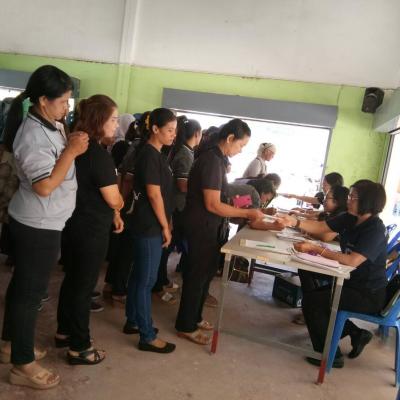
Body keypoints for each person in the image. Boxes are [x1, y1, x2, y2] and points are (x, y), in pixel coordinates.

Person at [0, 65, 89, 389]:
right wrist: (72, 151)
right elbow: (44, 186)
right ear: (42, 100)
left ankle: (10, 344)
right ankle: (22, 365)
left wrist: (69, 142)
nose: (67, 107)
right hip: (37, 225)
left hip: (44, 221)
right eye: (63, 101)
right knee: (30, 294)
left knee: (23, 287)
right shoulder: (31, 135)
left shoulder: (50, 123)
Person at [278, 180, 387, 368]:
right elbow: (321, 227)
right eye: (350, 196)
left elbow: (352, 260)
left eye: (353, 197)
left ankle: (331, 356)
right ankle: (356, 333)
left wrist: (317, 249)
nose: (349, 200)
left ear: (367, 202)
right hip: (349, 280)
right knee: (310, 281)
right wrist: (294, 221)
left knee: (314, 302)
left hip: (368, 293)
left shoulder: (375, 229)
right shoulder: (350, 218)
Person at [175, 119, 264, 345]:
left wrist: (242, 208)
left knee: (205, 276)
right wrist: (247, 213)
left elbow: (221, 198)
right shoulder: (211, 161)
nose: (241, 150)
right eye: (241, 145)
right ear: (230, 138)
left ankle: (195, 317)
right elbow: (213, 204)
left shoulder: (218, 160)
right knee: (196, 277)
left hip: (212, 227)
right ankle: (185, 325)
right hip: (201, 227)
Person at [55, 95, 124, 365]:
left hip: (71, 224)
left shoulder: (75, 146)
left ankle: (64, 331)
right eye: (113, 119)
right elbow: (113, 198)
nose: (117, 125)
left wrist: (114, 213)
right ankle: (80, 346)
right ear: (99, 121)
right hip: (91, 229)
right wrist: (119, 206)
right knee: (83, 287)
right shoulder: (98, 155)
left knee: (73, 280)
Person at [123, 108, 177, 354]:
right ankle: (147, 335)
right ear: (155, 128)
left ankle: (133, 320)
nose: (173, 134)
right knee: (147, 281)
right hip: (148, 225)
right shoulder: (149, 155)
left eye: (175, 130)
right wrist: (165, 226)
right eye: (169, 130)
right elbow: (154, 194)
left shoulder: (156, 153)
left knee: (139, 276)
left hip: (148, 223)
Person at [152, 116, 202, 304]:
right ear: (197, 134)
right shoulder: (185, 153)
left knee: (167, 247)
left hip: (174, 205)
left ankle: (162, 279)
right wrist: (202, 188)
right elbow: (182, 184)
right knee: (166, 247)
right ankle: (157, 285)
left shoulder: (183, 150)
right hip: (176, 206)